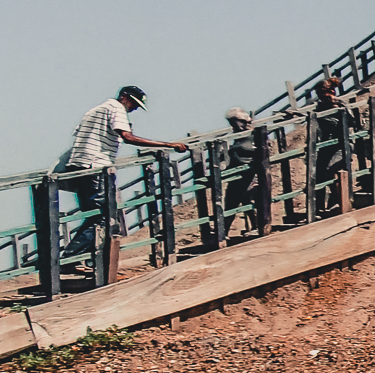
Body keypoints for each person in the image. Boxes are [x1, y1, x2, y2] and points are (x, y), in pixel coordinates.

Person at [58, 87, 188, 269]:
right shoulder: (116, 109)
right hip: (96, 165)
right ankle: (70, 258)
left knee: (93, 214)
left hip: (81, 165)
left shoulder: (96, 110)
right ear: (124, 97)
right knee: (102, 216)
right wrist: (167, 145)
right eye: (134, 103)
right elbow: (127, 137)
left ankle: (81, 259)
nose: (134, 108)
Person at [310, 78, 360, 214]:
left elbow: (353, 122)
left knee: (331, 169)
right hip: (327, 145)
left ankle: (340, 201)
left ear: (331, 91)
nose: (320, 97)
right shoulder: (320, 106)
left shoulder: (340, 104)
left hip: (341, 144)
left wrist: (340, 107)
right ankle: (320, 208)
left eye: (322, 93)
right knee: (319, 174)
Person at [220, 107, 264, 236]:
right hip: (237, 176)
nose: (232, 126)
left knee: (250, 200)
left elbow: (261, 153)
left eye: (234, 122)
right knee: (230, 203)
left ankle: (257, 226)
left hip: (250, 174)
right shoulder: (238, 137)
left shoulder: (254, 134)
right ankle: (223, 233)